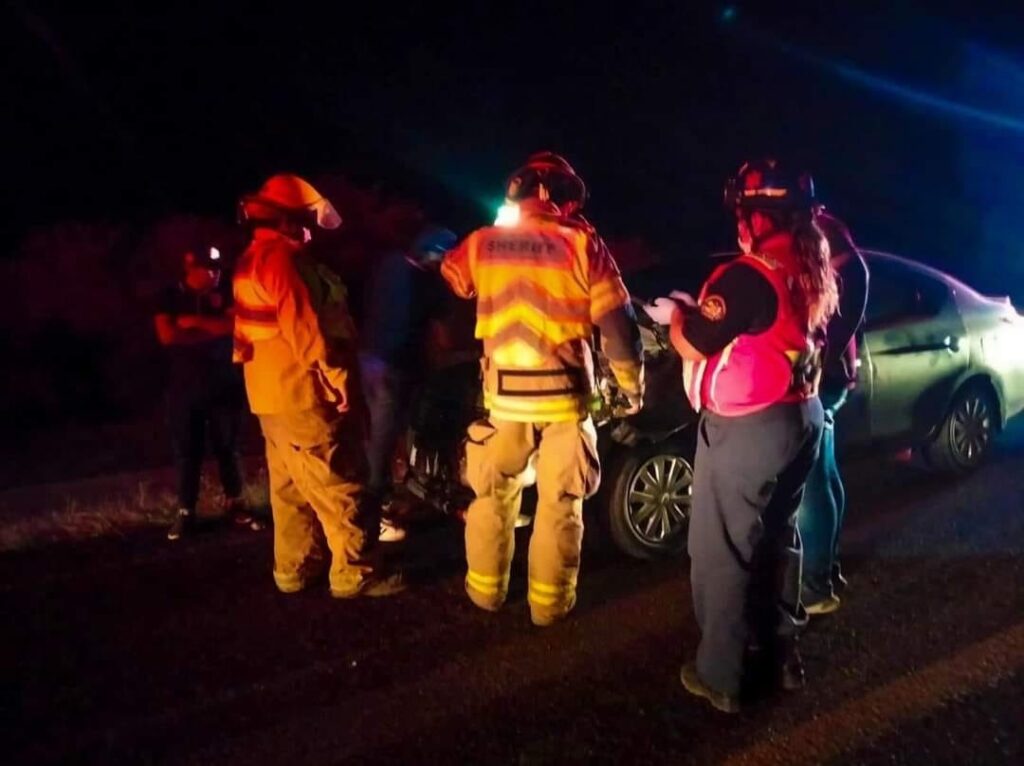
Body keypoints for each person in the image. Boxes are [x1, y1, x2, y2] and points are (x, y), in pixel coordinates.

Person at [440, 151, 644, 626]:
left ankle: (485, 593)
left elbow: (452, 277)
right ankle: (549, 606)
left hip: (504, 400)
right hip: (566, 401)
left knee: (494, 495)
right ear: (557, 195)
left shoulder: (483, 242)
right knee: (561, 502)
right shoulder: (582, 243)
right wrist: (631, 386)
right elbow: (618, 326)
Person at [668, 159, 837, 712]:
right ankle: (781, 654)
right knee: (778, 538)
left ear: (756, 216)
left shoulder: (749, 273)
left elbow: (695, 342)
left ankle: (721, 675)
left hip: (748, 428)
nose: (738, 223)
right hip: (802, 418)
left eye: (742, 212)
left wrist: (675, 317)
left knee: (721, 551)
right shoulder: (811, 266)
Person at [233, 173, 404, 598]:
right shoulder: (281, 261)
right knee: (337, 483)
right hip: (302, 392)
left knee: (290, 489)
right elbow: (305, 330)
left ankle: (293, 569)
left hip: (269, 396)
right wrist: (339, 378)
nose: (310, 229)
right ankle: (355, 574)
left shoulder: (251, 259)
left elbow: (250, 336)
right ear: (287, 219)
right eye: (305, 219)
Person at [154, 245, 261, 540]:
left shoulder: (225, 291)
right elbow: (168, 335)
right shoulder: (170, 295)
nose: (215, 274)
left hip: (223, 385)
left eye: (217, 268)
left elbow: (236, 325)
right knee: (188, 452)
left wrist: (195, 323)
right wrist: (214, 328)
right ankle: (186, 511)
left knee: (228, 447)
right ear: (191, 269)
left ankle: (236, 505)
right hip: (183, 390)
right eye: (208, 269)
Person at [360, 225, 457, 542]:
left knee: (373, 436)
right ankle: (373, 519)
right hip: (395, 367)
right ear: (437, 255)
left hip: (368, 359)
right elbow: (443, 337)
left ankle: (378, 501)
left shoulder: (388, 264)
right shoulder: (431, 282)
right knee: (384, 440)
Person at [797, 209, 869, 614]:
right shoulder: (846, 264)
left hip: (824, 382)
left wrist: (818, 369)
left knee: (811, 483)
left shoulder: (844, 269)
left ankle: (816, 585)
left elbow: (831, 331)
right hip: (835, 378)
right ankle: (828, 567)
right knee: (824, 474)